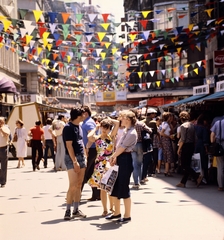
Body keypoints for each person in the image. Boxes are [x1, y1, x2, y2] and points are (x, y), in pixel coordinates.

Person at [106, 110, 137, 223]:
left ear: (128, 119)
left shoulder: (132, 132)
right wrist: (115, 157)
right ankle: (116, 212)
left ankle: (127, 215)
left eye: (122, 118)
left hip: (125, 159)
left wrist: (113, 156)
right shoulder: (126, 130)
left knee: (123, 187)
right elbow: (119, 146)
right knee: (115, 185)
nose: (120, 120)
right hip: (120, 158)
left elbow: (122, 147)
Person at [87, 117, 119, 216]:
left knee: (110, 187)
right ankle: (105, 209)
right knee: (102, 188)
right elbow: (89, 136)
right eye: (103, 127)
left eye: (107, 128)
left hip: (110, 164)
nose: (104, 129)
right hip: (100, 164)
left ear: (110, 128)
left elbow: (117, 123)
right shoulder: (97, 138)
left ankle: (112, 207)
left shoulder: (111, 136)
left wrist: (108, 119)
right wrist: (96, 128)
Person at [63, 107, 87, 220]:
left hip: (81, 157)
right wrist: (75, 161)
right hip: (72, 158)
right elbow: (69, 146)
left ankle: (76, 209)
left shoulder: (79, 126)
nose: (84, 116)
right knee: (72, 185)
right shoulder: (68, 127)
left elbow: (80, 141)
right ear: (78, 116)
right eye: (83, 114)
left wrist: (84, 155)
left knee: (79, 184)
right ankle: (67, 210)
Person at [176, 111, 203, 188]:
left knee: (184, 165)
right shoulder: (192, 125)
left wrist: (179, 149)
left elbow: (183, 139)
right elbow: (196, 138)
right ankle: (183, 182)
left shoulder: (183, 126)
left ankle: (197, 176)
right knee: (187, 164)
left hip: (186, 146)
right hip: (191, 145)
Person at [129, 108, 152, 189]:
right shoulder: (140, 124)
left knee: (134, 164)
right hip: (141, 145)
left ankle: (136, 182)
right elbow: (150, 130)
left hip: (132, 145)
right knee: (139, 164)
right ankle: (140, 179)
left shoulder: (129, 124)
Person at [81, 105, 100, 201]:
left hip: (91, 149)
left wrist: (87, 148)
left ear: (85, 113)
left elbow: (92, 137)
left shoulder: (88, 123)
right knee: (89, 172)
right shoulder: (86, 122)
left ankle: (77, 194)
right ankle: (96, 194)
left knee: (85, 172)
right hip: (90, 149)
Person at [194, 114, 210, 184]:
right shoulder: (204, 128)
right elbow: (205, 140)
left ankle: (196, 176)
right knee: (203, 162)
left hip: (195, 145)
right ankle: (203, 177)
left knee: (196, 161)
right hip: (201, 146)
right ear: (204, 121)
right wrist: (206, 149)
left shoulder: (194, 127)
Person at [210, 119, 224, 191]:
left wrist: (213, 144)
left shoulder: (218, 122)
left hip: (219, 145)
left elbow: (212, 134)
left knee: (220, 166)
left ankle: (221, 186)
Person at [160, 112, 174, 176]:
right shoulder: (166, 124)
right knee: (168, 154)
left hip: (163, 141)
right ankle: (167, 170)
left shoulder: (164, 123)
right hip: (166, 140)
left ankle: (167, 170)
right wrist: (169, 136)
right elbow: (161, 133)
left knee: (166, 154)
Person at [0, 117, 10, 187]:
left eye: (1, 122)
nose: (0, 123)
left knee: (4, 166)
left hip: (3, 148)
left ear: (3, 122)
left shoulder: (6, 128)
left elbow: (7, 135)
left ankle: (3, 181)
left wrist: (1, 130)